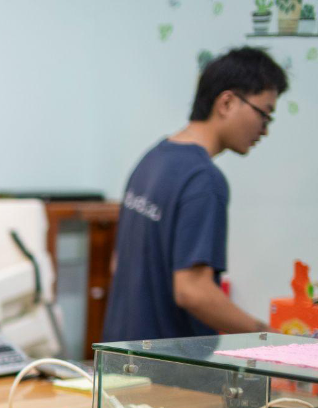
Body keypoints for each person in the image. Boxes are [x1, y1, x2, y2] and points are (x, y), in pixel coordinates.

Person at [101, 47, 287, 342]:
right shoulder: (204, 180)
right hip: (165, 373)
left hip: (119, 357)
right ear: (226, 102)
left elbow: (118, 263)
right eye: (264, 114)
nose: (264, 130)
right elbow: (193, 292)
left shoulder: (151, 159)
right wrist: (271, 338)